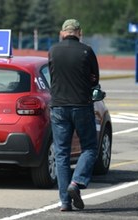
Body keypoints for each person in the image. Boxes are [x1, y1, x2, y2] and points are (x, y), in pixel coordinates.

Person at [48, 19, 99, 211]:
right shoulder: (87, 51)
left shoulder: (53, 51)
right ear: (79, 32)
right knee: (90, 148)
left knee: (61, 154)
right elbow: (95, 80)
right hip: (81, 105)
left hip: (58, 107)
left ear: (62, 33)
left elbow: (53, 76)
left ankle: (65, 202)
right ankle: (76, 183)